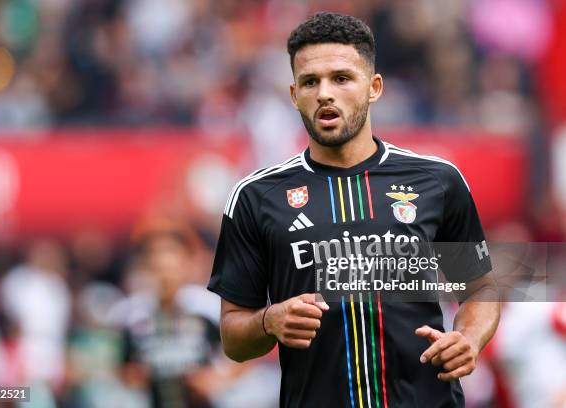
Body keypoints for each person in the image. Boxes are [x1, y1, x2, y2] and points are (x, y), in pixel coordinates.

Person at [208, 12, 500, 408]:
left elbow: (480, 287)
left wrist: (468, 339)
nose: (325, 93)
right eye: (310, 82)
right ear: (295, 95)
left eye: (341, 78)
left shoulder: (437, 180)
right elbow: (233, 338)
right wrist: (268, 320)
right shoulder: (256, 196)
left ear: (373, 87)